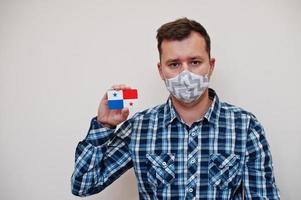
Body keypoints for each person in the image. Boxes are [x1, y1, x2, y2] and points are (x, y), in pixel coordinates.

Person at [71, 17, 280, 199]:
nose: (185, 74)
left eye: (195, 61)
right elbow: (83, 185)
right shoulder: (140, 127)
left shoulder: (245, 126)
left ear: (211, 65)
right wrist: (104, 126)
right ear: (161, 70)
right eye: (174, 64)